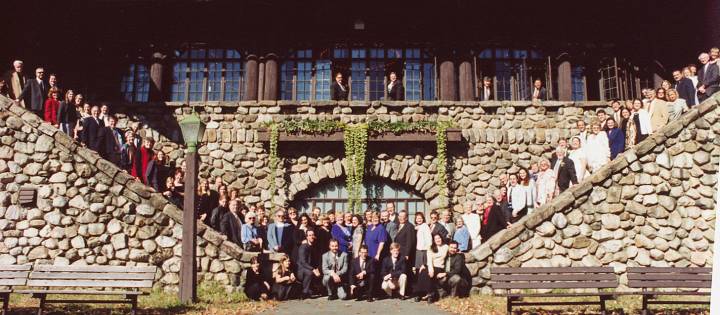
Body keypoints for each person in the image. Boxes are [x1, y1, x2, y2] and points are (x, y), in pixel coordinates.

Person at [414, 234, 447, 303]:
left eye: (439, 238)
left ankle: (430, 295)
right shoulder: (430, 248)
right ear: (434, 241)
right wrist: (430, 269)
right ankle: (419, 294)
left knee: (428, 274)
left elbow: (453, 250)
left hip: (439, 267)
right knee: (423, 272)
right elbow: (429, 260)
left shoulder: (446, 247)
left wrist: (459, 252)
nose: (438, 240)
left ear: (441, 238)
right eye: (436, 239)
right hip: (430, 265)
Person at [297, 228, 321, 299]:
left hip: (311, 268)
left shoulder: (315, 246)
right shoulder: (303, 247)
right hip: (301, 270)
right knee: (309, 272)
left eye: (313, 235)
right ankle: (304, 292)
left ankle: (312, 290)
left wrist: (318, 269)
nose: (311, 236)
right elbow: (303, 262)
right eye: (310, 235)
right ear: (307, 237)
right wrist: (313, 269)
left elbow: (316, 260)